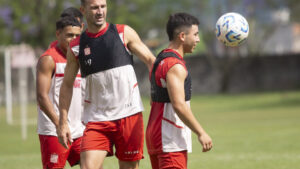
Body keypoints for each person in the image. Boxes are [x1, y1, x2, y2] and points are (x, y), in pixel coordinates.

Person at [57, 0, 155, 169]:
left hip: (128, 115)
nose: (100, 11)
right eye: (95, 7)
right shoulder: (76, 46)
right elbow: (66, 85)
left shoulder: (123, 32)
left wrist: (155, 92)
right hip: (97, 119)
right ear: (83, 10)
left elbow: (151, 60)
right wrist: (63, 122)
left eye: (103, 6)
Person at [146, 12, 213, 169]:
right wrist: (201, 133)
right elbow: (179, 105)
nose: (197, 39)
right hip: (170, 138)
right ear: (182, 36)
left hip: (156, 134)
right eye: (195, 34)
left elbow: (152, 100)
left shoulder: (159, 59)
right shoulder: (175, 66)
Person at [36, 16, 84, 169]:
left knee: (93, 165)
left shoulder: (80, 58)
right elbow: (41, 97)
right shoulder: (49, 59)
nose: (74, 39)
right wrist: (60, 125)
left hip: (80, 130)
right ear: (58, 34)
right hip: (54, 130)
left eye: (77, 35)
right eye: (69, 35)